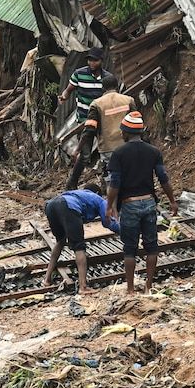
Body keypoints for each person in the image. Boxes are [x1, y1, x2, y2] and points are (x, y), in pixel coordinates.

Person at [106, 112, 178, 294]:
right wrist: (172, 201)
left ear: (126, 132)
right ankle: (149, 287)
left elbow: (114, 184)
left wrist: (109, 206)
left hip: (129, 205)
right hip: (149, 204)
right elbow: (163, 178)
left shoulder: (118, 154)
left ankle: (130, 289)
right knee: (151, 246)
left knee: (130, 249)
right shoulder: (154, 152)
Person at [42, 183, 120, 295]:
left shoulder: (78, 194)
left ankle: (47, 280)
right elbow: (107, 222)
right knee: (79, 247)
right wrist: (123, 230)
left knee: (60, 241)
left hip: (51, 205)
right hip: (68, 206)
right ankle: (83, 287)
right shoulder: (98, 199)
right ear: (98, 193)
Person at [66, 74, 135, 189]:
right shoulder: (128, 100)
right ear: (117, 86)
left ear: (103, 88)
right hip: (128, 146)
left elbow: (89, 130)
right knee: (130, 175)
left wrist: (78, 149)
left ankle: (114, 203)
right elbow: (136, 123)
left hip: (108, 148)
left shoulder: (96, 104)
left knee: (112, 180)